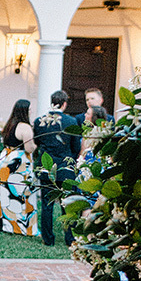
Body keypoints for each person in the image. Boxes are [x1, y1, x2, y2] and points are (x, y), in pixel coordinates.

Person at [33, 89, 82, 246]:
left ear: (51, 102)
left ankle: (48, 238)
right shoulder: (71, 122)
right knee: (68, 204)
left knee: (47, 204)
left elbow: (37, 142)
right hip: (65, 167)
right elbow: (75, 145)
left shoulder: (39, 121)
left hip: (46, 166)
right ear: (65, 103)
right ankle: (70, 238)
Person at [0, 98, 39, 236]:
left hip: (5, 159)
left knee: (5, 192)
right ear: (25, 111)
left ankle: (6, 224)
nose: (31, 111)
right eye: (30, 108)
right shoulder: (25, 127)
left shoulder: (10, 124)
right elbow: (29, 148)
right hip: (18, 163)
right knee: (21, 192)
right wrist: (38, 144)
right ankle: (21, 226)